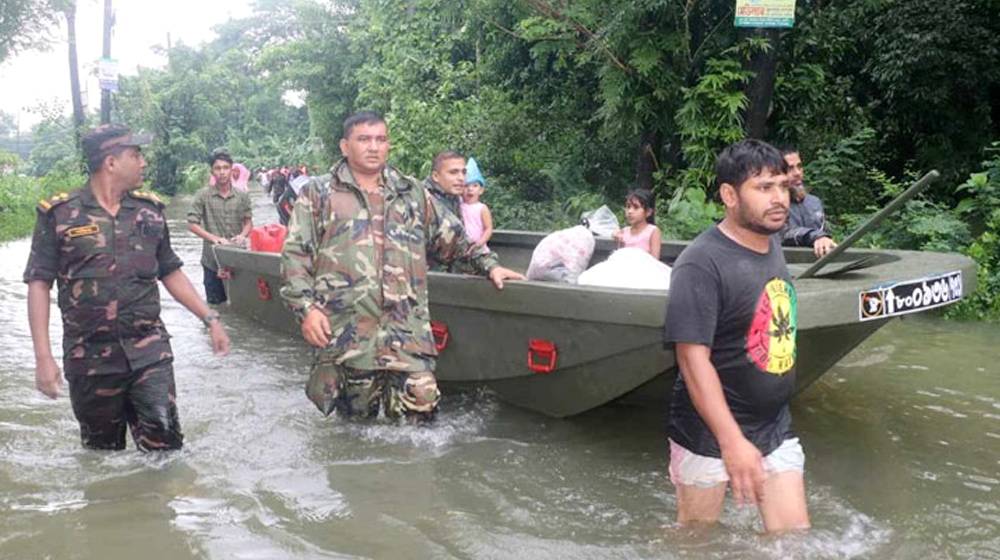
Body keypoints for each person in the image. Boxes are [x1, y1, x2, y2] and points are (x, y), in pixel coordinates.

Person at [280, 111, 524, 422]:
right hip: (347, 337)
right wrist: (306, 309)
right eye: (363, 139)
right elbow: (296, 256)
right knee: (354, 433)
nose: (373, 147)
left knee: (420, 424)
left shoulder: (412, 193)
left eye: (380, 139)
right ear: (345, 146)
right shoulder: (318, 194)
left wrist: (490, 266)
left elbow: (454, 240)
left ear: (388, 146)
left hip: (407, 335)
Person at [23, 124, 231, 451]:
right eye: (136, 154)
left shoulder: (150, 212)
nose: (143, 162)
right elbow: (38, 283)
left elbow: (170, 271)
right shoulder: (60, 215)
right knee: (101, 458)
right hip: (89, 359)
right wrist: (42, 357)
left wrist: (210, 319)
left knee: (165, 446)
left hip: (149, 351)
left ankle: (160, 501)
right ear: (111, 162)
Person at [664, 139, 809, 533]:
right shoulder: (700, 263)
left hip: (774, 423)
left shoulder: (772, 241)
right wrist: (731, 441)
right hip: (710, 432)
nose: (779, 197)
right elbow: (692, 361)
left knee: (792, 542)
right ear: (729, 195)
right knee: (696, 541)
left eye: (781, 185)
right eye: (764, 188)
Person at [187, 151, 253, 304]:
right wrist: (214, 239)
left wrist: (243, 235)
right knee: (216, 306)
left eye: (225, 168)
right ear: (212, 171)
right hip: (211, 260)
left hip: (237, 260)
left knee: (240, 305)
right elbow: (192, 224)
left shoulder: (242, 196)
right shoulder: (203, 195)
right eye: (218, 168)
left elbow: (248, 222)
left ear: (232, 170)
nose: (222, 172)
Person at [779, 148, 837, 259]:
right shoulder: (772, 205)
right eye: (790, 168)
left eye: (799, 166)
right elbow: (783, 234)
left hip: (818, 267)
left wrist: (823, 240)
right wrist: (816, 237)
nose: (797, 173)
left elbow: (825, 238)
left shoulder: (814, 203)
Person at [612, 189, 662, 259]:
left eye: (636, 207)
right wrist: (615, 235)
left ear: (648, 212)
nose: (630, 211)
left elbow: (655, 259)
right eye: (628, 207)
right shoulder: (624, 231)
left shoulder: (652, 231)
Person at [460, 157, 493, 251]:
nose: (470, 189)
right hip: (462, 248)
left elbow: (488, 228)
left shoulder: (482, 208)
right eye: (466, 186)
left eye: (475, 186)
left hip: (478, 248)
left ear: (481, 190)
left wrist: (480, 243)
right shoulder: (458, 205)